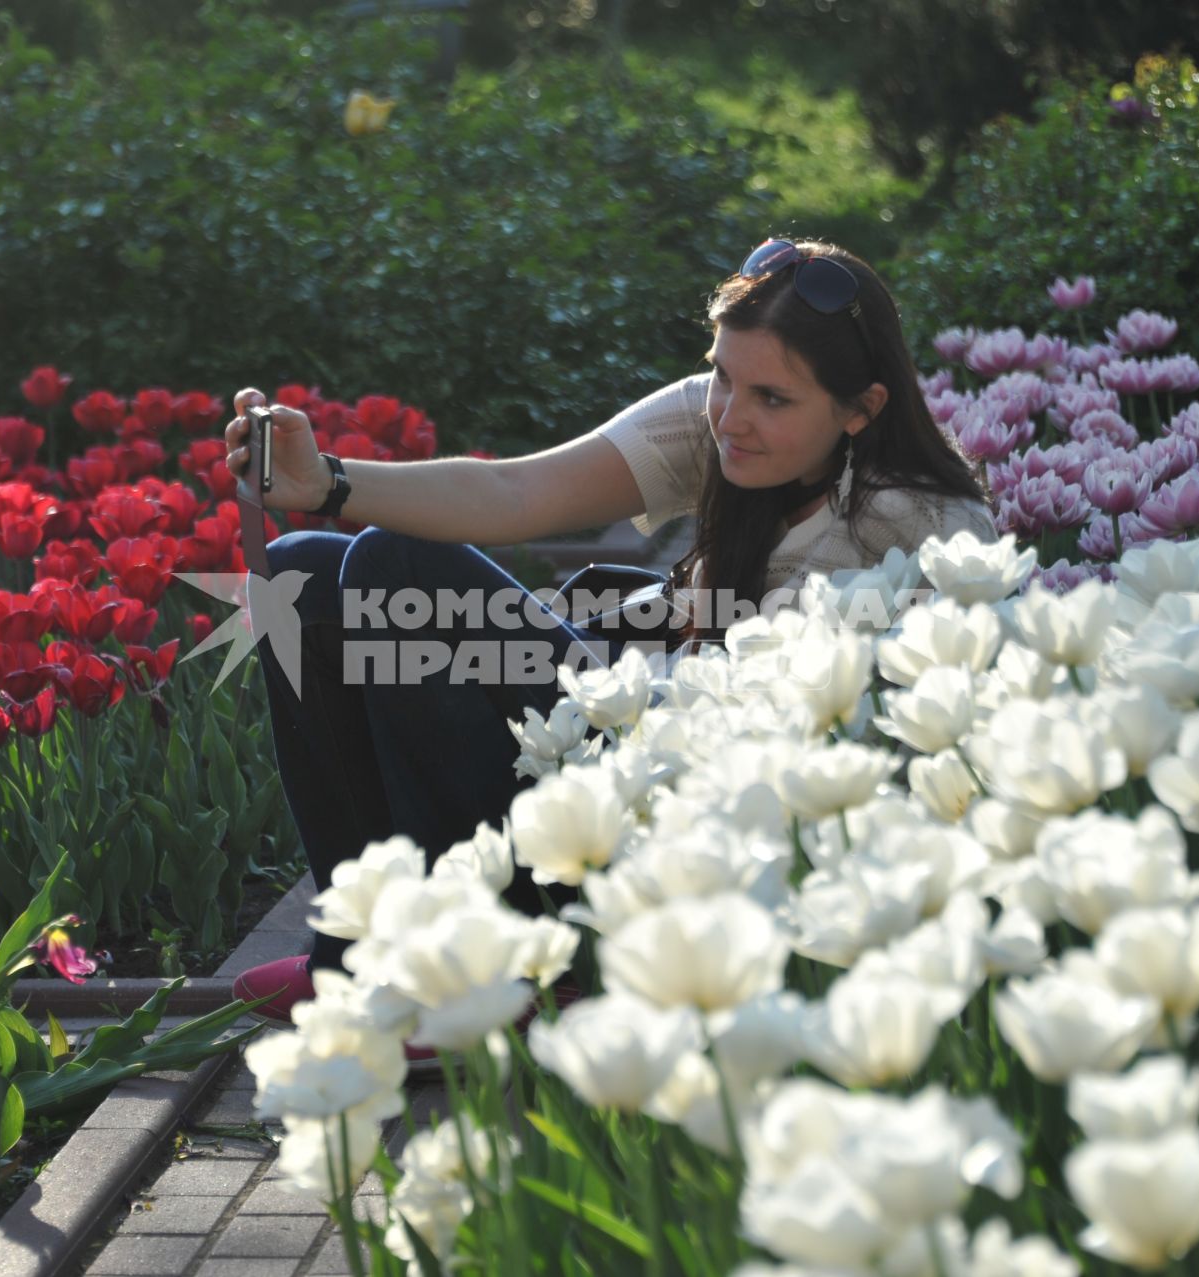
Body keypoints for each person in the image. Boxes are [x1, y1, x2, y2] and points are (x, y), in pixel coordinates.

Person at [224, 236, 996, 1029]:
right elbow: (517, 490)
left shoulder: (921, 527)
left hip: (687, 835)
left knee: (401, 569)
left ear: (863, 409)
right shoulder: (721, 426)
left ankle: (482, 971)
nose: (732, 417)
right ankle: (362, 951)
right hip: (633, 729)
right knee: (303, 575)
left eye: (773, 399)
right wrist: (325, 482)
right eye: (723, 377)